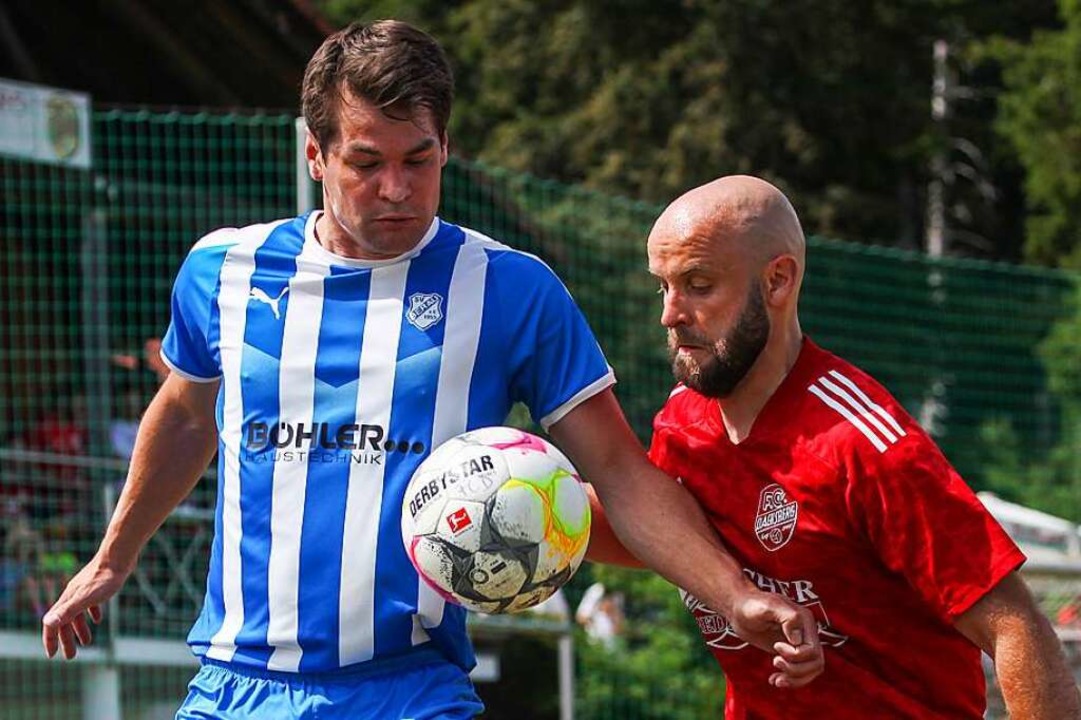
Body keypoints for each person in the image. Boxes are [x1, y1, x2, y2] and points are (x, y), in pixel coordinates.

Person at [40, 22, 823, 719]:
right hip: (237, 683)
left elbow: (619, 471)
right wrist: (112, 560)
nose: (396, 189)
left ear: (446, 146)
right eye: (366, 162)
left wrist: (735, 595)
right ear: (314, 155)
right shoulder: (225, 269)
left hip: (411, 686)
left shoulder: (510, 289)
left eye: (419, 159)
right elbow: (183, 415)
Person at [589, 175, 1081, 718]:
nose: (670, 314)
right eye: (663, 286)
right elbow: (663, 536)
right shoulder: (684, 420)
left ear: (778, 281)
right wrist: (531, 506)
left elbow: (1015, 625)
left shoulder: (864, 446)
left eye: (699, 284)